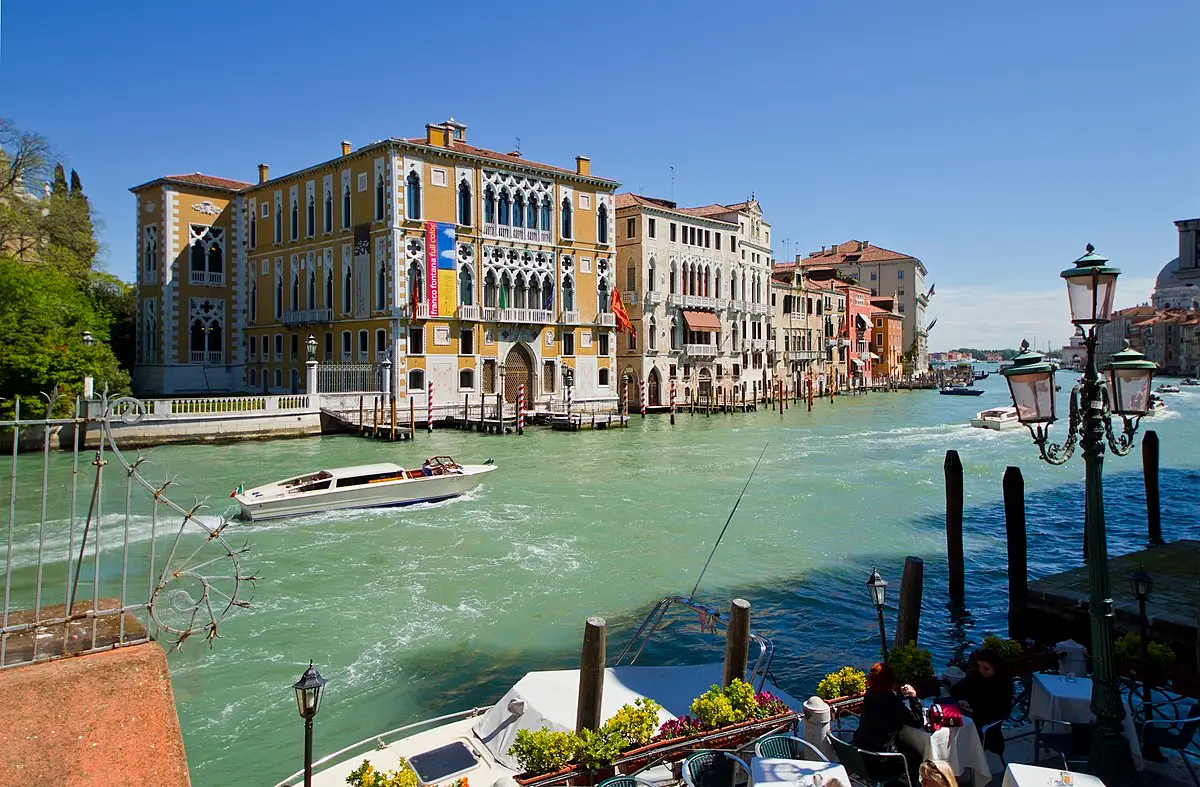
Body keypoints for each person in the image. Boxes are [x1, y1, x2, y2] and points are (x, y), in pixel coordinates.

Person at [853, 662, 925, 785]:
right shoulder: (892, 703)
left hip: (861, 757)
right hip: (882, 763)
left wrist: (898, 694)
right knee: (916, 756)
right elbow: (918, 721)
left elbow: (884, 700)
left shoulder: (869, 695)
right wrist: (913, 697)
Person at [949, 648, 1014, 754]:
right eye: (980, 667)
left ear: (995, 668)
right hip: (967, 717)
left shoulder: (1003, 683)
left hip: (986, 726)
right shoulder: (976, 676)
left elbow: (1003, 711)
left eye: (986, 669)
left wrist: (974, 709)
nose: (982, 671)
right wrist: (962, 700)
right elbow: (955, 690)